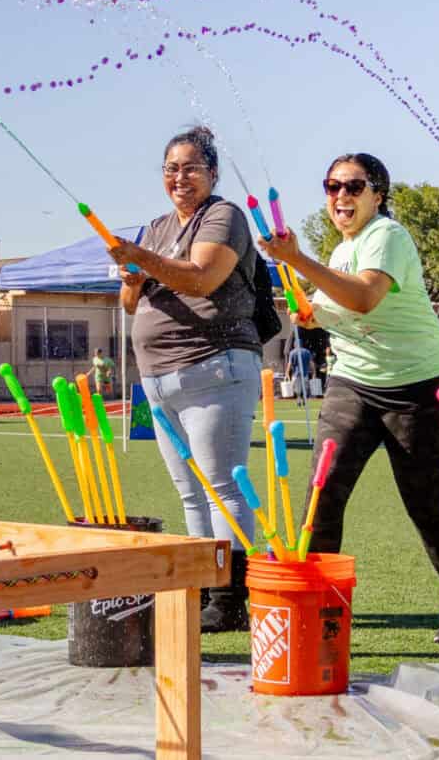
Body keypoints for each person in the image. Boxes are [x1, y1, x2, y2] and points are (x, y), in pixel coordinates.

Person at [260, 152, 439, 645]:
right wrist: (310, 313)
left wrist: (296, 259)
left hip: (419, 387)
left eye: (353, 186)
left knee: (424, 505)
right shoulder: (342, 250)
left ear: (378, 195)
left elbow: (363, 297)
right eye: (332, 186)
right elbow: (333, 305)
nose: (341, 196)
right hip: (353, 384)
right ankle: (319, 607)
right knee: (323, 494)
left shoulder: (388, 235)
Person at [106, 125, 262, 633]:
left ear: (212, 173)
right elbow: (130, 304)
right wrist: (133, 279)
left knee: (222, 487)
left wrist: (140, 258)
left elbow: (202, 278)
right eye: (171, 168)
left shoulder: (223, 215)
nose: (179, 177)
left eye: (191, 168)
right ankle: (202, 587)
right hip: (158, 378)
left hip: (214, 366)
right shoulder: (156, 227)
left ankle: (231, 597)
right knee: (191, 492)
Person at [286, 341, 315, 405]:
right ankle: (304, 399)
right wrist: (314, 372)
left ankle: (298, 399)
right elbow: (311, 363)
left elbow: (289, 364)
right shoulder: (307, 352)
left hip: (296, 373)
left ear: (295, 345)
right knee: (305, 387)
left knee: (297, 387)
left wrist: (287, 372)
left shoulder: (292, 352)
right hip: (305, 373)